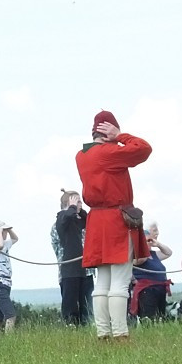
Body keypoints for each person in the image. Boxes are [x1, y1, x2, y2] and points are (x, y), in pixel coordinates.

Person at [75, 110, 152, 341]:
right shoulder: (109, 152)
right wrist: (120, 135)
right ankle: (120, 334)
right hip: (116, 220)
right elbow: (143, 149)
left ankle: (103, 333)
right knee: (120, 281)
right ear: (107, 131)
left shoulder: (81, 155)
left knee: (103, 282)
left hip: (96, 221)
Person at [54, 190, 92, 326]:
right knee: (70, 307)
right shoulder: (62, 218)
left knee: (85, 307)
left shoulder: (76, 220)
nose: (80, 204)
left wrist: (79, 210)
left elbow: (87, 220)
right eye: (77, 201)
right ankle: (70, 327)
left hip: (82, 270)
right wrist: (72, 207)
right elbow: (65, 219)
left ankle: (83, 328)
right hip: (68, 271)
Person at [131, 221, 172, 322]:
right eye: (147, 241)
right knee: (149, 317)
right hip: (147, 290)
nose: (149, 242)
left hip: (160, 289)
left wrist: (157, 244)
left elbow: (168, 253)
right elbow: (141, 260)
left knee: (160, 316)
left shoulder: (154, 254)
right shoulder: (137, 256)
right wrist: (142, 246)